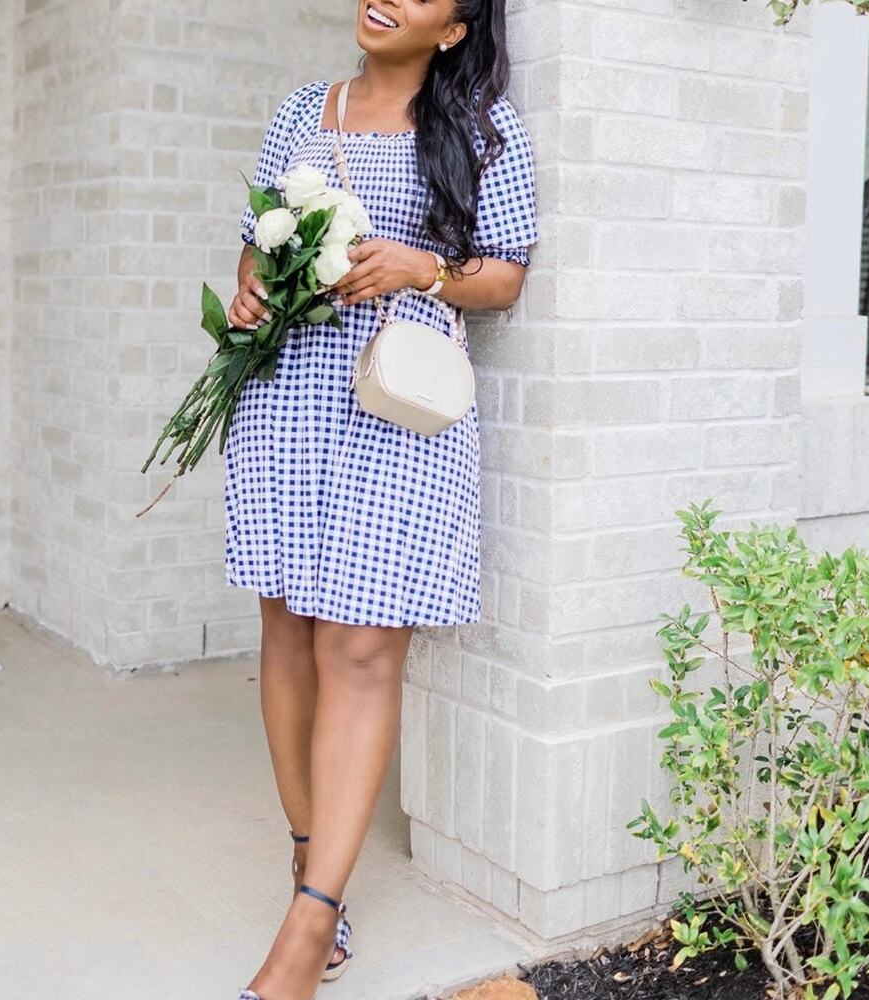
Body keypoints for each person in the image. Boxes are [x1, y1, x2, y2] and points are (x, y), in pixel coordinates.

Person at [225, 2, 538, 997]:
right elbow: (254, 242)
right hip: (289, 400)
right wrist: (248, 293)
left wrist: (424, 268)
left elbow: (508, 277)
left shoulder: (486, 130)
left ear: (452, 29)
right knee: (287, 626)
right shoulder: (297, 114)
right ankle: (309, 860)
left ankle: (308, 926)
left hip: (397, 408)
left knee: (357, 647)